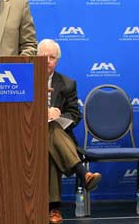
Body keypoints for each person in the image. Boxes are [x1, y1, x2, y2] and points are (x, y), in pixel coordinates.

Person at [37, 39, 101, 223]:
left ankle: (52, 208)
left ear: (57, 60)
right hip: (28, 136)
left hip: (57, 138)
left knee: (52, 132)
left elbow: (75, 115)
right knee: (48, 128)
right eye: (44, 56)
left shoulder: (67, 83)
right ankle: (83, 173)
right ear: (36, 57)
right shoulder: (24, 80)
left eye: (52, 57)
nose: (48, 60)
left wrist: (58, 115)